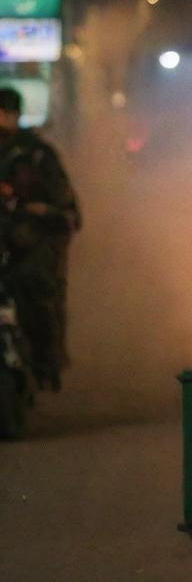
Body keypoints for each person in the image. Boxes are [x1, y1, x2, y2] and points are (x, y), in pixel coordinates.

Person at [0, 86, 80, 390]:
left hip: (33, 241)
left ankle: (47, 362)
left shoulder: (34, 154)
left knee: (36, 288)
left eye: (5, 113)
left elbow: (65, 208)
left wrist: (38, 212)